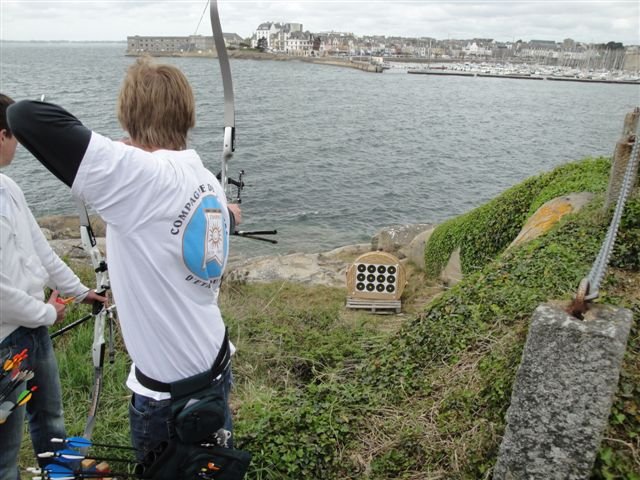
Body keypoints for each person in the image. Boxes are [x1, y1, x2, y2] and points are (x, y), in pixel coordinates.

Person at [7, 57, 242, 467]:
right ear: (187, 113)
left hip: (170, 400)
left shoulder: (142, 179)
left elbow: (23, 115)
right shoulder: (202, 176)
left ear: (128, 118)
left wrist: (119, 148)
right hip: (216, 366)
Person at [0, 93, 106, 480]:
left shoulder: (8, 186)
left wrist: (79, 291)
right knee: (5, 450)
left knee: (50, 419)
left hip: (32, 331)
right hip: (5, 345)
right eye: (15, 136)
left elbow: (40, 249)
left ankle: (58, 474)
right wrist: (48, 312)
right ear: (1, 135)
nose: (19, 144)